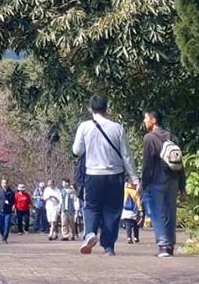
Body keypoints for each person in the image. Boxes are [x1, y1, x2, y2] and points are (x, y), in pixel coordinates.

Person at [71, 95, 137, 256]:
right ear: (106, 108)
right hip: (115, 175)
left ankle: (90, 233)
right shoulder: (117, 128)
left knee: (92, 207)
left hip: (93, 174)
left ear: (90, 108)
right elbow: (126, 155)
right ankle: (108, 247)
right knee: (112, 210)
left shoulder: (84, 127)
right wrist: (134, 178)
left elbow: (76, 151)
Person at [141, 107, 187, 258]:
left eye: (146, 118)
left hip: (156, 181)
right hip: (173, 180)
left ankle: (163, 246)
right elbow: (180, 163)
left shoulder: (149, 138)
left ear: (153, 120)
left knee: (157, 213)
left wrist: (144, 183)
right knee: (170, 212)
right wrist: (182, 187)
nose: (144, 121)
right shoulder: (173, 137)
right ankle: (170, 246)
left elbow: (147, 164)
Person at [0, 178, 15, 242]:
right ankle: (2, 235)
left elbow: (13, 201)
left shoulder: (11, 192)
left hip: (8, 210)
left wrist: (9, 202)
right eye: (3, 183)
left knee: (7, 224)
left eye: (5, 183)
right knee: (1, 224)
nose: (4, 184)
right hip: (0, 210)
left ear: (7, 184)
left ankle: (5, 237)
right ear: (1, 184)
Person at [121, 179, 141, 244]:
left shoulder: (125, 189)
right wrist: (140, 209)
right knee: (136, 224)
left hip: (126, 209)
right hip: (134, 209)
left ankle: (129, 237)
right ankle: (136, 237)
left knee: (128, 224)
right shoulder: (136, 190)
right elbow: (138, 200)